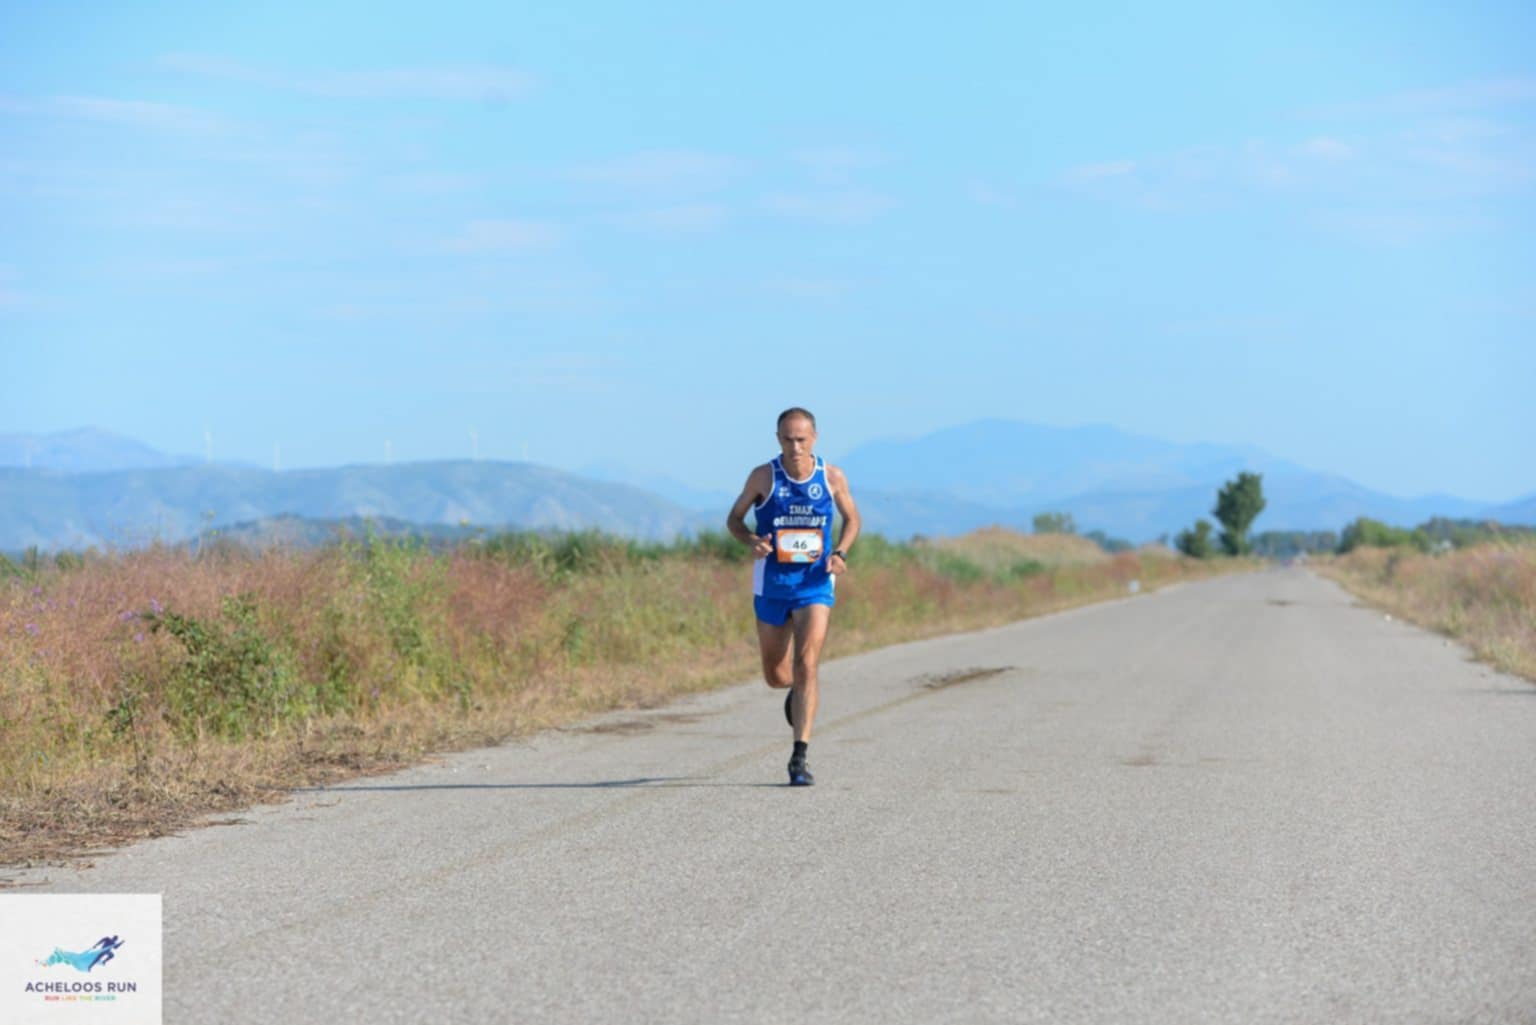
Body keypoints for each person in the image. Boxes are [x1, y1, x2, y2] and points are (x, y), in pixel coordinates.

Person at [726, 407, 860, 786]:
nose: (795, 447)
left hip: (815, 583)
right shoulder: (763, 476)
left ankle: (799, 757)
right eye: (788, 439)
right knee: (776, 674)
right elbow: (733, 520)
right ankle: (796, 693)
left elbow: (853, 520)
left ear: (814, 438)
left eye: (802, 439)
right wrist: (751, 540)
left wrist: (841, 554)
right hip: (772, 585)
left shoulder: (831, 477)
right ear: (778, 439)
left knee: (807, 664)